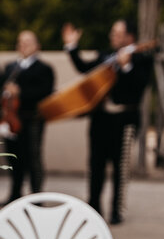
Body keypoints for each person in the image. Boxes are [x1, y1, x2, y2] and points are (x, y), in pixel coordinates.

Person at [62, 20, 153, 224]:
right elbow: (85, 68)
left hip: (124, 119)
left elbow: (141, 85)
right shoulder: (105, 56)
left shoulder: (142, 57)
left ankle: (116, 210)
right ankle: (94, 207)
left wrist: (127, 66)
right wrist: (72, 47)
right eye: (112, 32)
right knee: (96, 163)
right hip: (101, 118)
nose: (112, 36)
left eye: (117, 33)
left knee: (120, 166)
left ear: (130, 37)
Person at [0, 31, 54, 205]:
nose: (23, 46)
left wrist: (21, 92)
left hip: (32, 120)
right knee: (13, 158)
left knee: (33, 158)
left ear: (37, 46)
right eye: (20, 42)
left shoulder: (44, 69)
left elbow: (45, 93)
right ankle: (15, 194)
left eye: (28, 42)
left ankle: (37, 197)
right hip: (11, 119)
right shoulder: (10, 67)